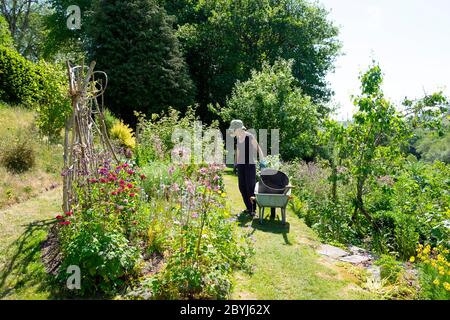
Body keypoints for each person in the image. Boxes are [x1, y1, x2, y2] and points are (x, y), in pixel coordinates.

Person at [229, 120, 265, 216]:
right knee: (242, 187)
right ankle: (248, 208)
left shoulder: (249, 136)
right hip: (241, 165)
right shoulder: (238, 138)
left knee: (250, 187)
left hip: (250, 165)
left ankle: (253, 210)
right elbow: (238, 151)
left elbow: (258, 148)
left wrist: (262, 162)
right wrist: (235, 164)